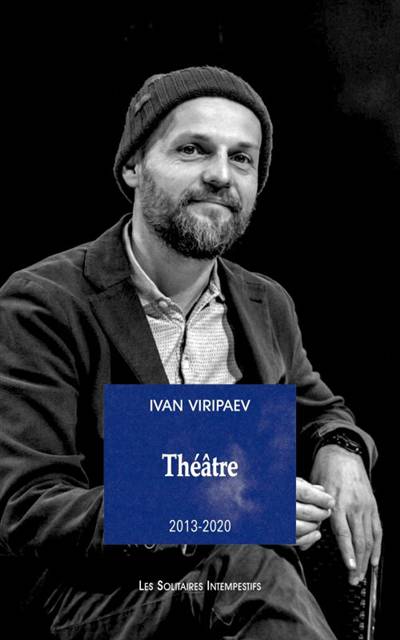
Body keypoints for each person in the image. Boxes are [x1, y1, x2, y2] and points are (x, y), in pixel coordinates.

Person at [0, 66, 381, 639]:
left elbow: (320, 408)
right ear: (133, 166)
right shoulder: (45, 302)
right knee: (251, 570)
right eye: (193, 149)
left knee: (253, 572)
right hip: (98, 597)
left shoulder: (266, 303)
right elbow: (31, 508)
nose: (220, 175)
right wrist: (230, 506)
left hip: (241, 589)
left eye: (242, 158)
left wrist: (342, 449)